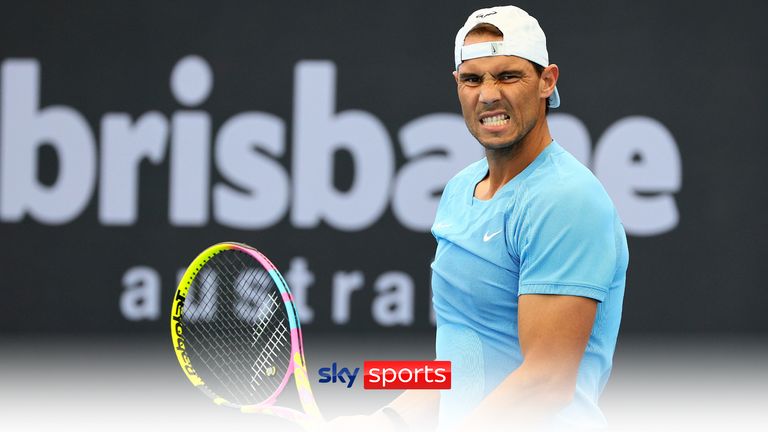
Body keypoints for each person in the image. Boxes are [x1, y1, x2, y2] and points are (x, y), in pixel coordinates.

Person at [328, 5, 628, 431]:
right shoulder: (459, 189)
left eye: (508, 76)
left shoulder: (567, 199)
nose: (488, 94)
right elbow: (462, 365)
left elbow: (546, 382)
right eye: (472, 79)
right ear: (457, 85)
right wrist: (384, 419)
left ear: (547, 81)